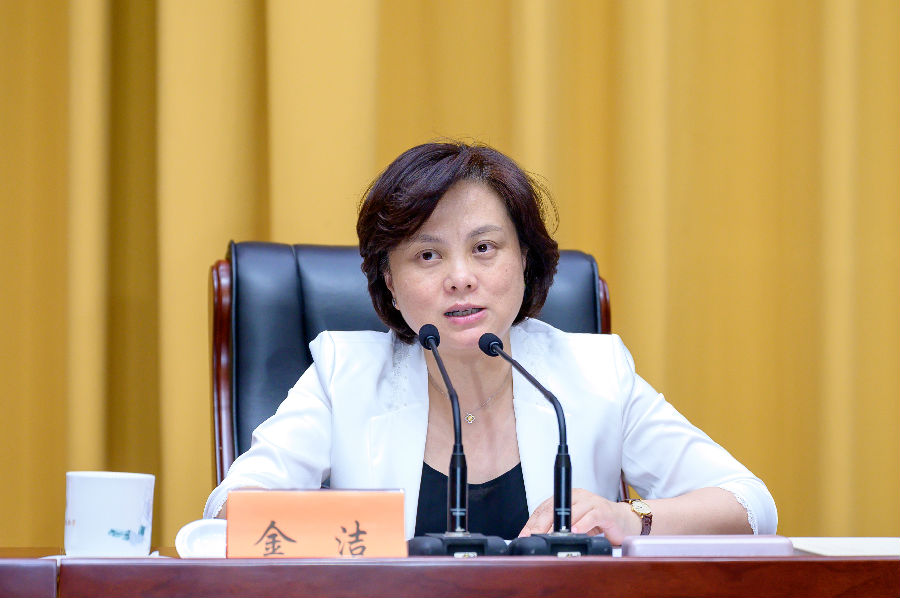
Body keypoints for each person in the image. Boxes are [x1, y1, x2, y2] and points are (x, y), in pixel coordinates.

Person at [204, 141, 777, 542]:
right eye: (427, 255)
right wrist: (357, 537)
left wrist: (632, 519)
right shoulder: (343, 377)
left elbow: (750, 503)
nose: (460, 278)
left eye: (484, 248)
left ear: (524, 260)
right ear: (389, 281)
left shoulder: (595, 374)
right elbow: (228, 511)